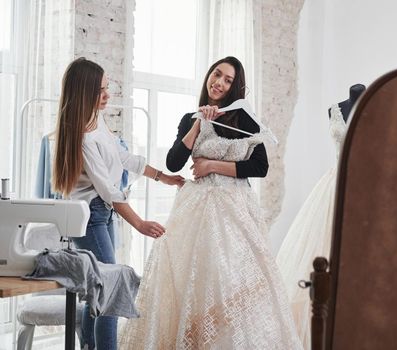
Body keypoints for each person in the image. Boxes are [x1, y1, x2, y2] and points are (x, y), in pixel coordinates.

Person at [119, 56, 302, 349]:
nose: (219, 83)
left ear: (234, 88)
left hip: (236, 210)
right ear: (209, 75)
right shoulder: (190, 119)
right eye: (217, 74)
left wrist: (212, 166)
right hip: (198, 211)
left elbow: (260, 167)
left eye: (228, 80)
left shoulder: (245, 120)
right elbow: (174, 162)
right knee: (195, 282)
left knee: (232, 282)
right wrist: (198, 123)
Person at [52, 57, 184, 350]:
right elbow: (110, 190)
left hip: (102, 213)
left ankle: (88, 346)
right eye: (101, 90)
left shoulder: (96, 121)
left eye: (106, 88)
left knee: (100, 291)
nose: (107, 95)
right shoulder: (83, 137)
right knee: (112, 291)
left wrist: (162, 177)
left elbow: (123, 158)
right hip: (91, 216)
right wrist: (139, 223)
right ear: (85, 93)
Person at [277, 84, 365, 348]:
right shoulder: (334, 110)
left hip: (366, 188)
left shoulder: (377, 108)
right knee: (323, 251)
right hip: (334, 187)